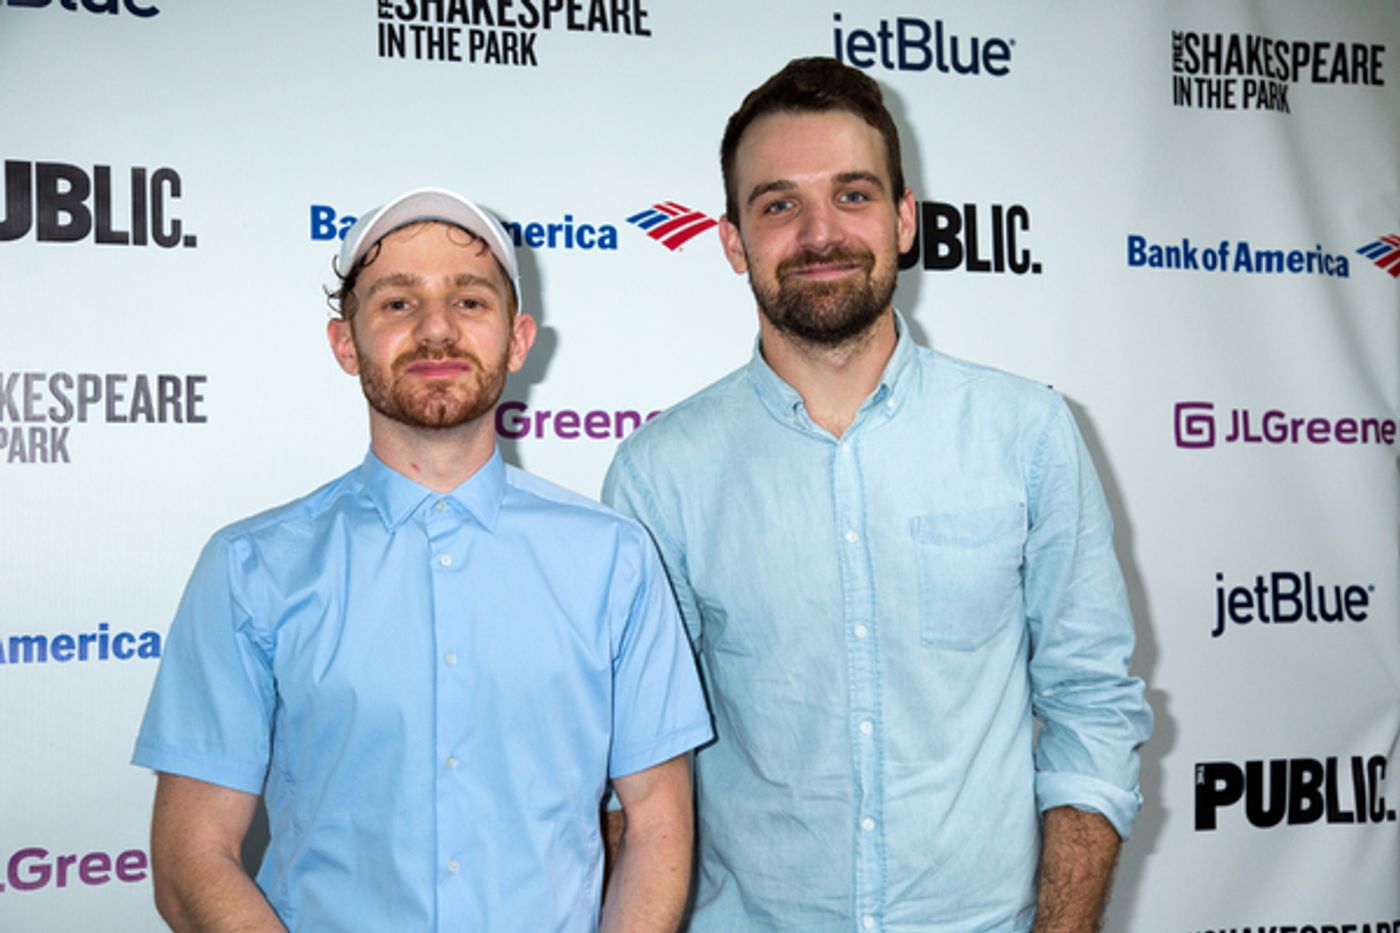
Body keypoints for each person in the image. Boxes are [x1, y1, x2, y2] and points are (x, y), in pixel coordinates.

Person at [602, 59, 1153, 932]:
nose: (820, 232)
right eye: (779, 204)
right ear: (733, 241)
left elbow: (1091, 707)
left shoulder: (1029, 432)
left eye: (853, 195)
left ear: (904, 221)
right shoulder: (659, 474)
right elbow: (633, 774)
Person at [133, 188, 712, 933]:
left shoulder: (615, 561)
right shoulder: (251, 570)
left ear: (518, 339)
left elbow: (658, 827)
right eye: (398, 303)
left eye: (469, 301)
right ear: (346, 343)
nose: (436, 329)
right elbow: (191, 857)